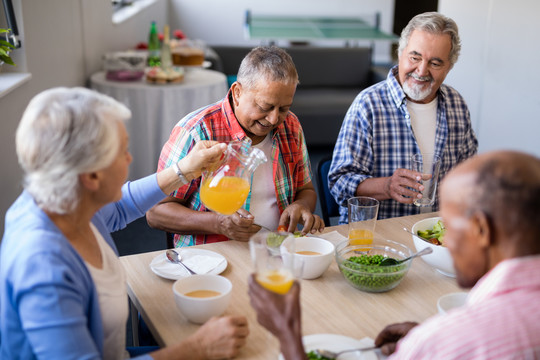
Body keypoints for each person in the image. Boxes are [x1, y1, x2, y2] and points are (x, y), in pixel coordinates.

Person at [0, 87, 249, 359]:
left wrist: (186, 169)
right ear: (92, 176)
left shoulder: (64, 200)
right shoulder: (43, 266)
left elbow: (121, 207)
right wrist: (198, 348)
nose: (130, 159)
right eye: (123, 151)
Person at [249, 150, 540, 359]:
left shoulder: (454, 340)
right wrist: (426, 337)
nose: (445, 239)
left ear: (481, 230)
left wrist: (288, 334)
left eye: (449, 225)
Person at [147, 45, 324, 247]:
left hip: (275, 250)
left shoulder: (291, 126)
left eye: (283, 108)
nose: (274, 118)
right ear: (237, 92)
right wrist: (217, 223)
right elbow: (155, 212)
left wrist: (301, 205)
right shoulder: (197, 132)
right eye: (264, 107)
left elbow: (306, 189)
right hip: (209, 256)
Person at [328, 12, 478, 222]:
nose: (421, 70)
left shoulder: (457, 105)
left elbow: (468, 175)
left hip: (437, 235)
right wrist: (387, 186)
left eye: (435, 63)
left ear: (449, 67)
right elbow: (339, 184)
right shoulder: (368, 105)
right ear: (400, 53)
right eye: (415, 57)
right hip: (377, 241)